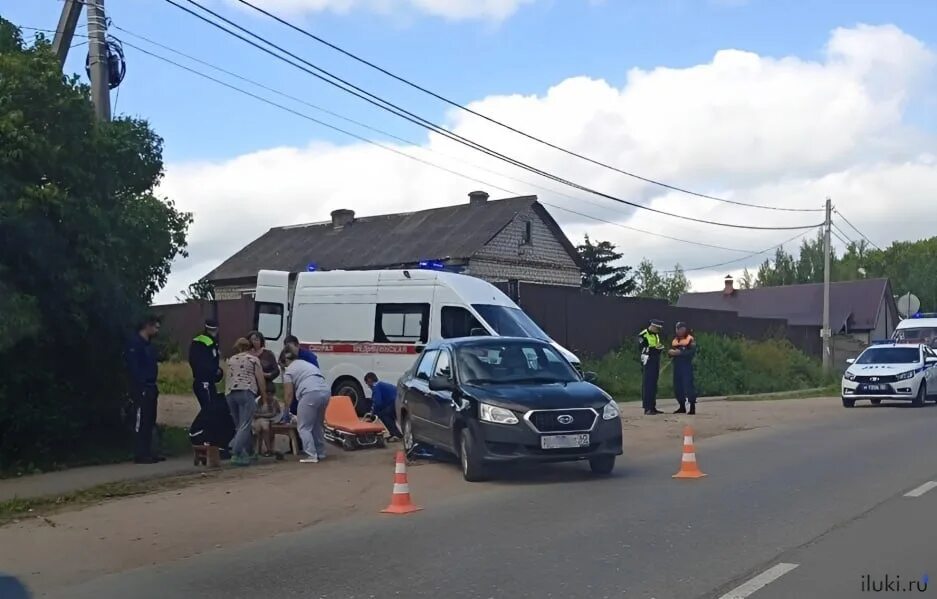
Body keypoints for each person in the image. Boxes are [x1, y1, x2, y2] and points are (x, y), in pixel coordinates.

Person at [279, 347, 331, 464]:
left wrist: (286, 411)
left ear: (285, 361)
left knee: (303, 427)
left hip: (310, 392)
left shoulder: (289, 371)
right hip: (325, 391)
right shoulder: (305, 364)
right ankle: (320, 452)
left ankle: (311, 455)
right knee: (317, 425)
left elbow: (288, 394)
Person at [125, 315, 164, 464]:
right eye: (155, 326)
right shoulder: (135, 344)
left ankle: (149, 451)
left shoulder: (149, 345)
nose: (157, 330)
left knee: (150, 419)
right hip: (141, 387)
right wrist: (141, 383)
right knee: (141, 419)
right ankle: (140, 453)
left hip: (151, 385)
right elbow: (134, 367)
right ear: (147, 326)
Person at [225, 337, 268, 465]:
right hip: (246, 391)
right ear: (250, 347)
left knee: (239, 425)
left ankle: (248, 452)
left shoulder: (231, 360)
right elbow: (261, 380)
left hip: (230, 393)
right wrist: (264, 399)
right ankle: (236, 452)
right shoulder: (253, 359)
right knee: (245, 424)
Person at [189, 319, 223, 410]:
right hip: (206, 381)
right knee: (209, 408)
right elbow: (210, 362)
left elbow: (193, 360)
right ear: (217, 329)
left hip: (199, 380)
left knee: (207, 407)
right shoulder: (211, 343)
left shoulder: (197, 340)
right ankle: (204, 424)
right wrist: (216, 371)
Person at [283, 335, 318, 418]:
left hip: (308, 390)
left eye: (291, 347)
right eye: (287, 348)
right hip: (298, 390)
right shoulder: (287, 357)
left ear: (298, 345)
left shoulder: (309, 357)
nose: (289, 350)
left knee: (305, 422)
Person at [668, 322, 698, 415]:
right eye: (678, 329)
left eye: (681, 329)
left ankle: (692, 407)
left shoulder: (690, 339)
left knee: (688, 386)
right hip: (677, 366)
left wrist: (680, 353)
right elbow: (671, 351)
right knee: (678, 387)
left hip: (686, 366)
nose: (679, 331)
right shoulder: (674, 340)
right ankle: (682, 406)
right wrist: (670, 353)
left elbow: (691, 353)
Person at [638, 319, 665, 415]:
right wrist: (655, 349)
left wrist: (659, 348)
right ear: (653, 326)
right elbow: (643, 348)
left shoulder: (656, 335)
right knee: (648, 385)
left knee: (654, 385)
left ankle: (653, 407)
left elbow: (656, 345)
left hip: (655, 361)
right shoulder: (643, 334)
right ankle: (647, 408)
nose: (658, 331)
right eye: (657, 328)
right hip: (647, 361)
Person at [364, 372, 402, 440]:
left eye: (367, 383)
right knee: (388, 414)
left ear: (370, 380)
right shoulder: (380, 384)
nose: (368, 386)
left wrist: (373, 414)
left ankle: (396, 435)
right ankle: (396, 433)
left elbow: (378, 403)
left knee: (383, 414)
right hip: (398, 400)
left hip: (395, 401)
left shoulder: (376, 387)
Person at [247, 331, 280, 401]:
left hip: (266, 384)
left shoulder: (268, 354)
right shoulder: (245, 354)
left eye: (256, 340)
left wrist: (266, 375)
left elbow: (276, 371)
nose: (254, 342)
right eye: (251, 340)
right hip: (249, 385)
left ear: (261, 341)